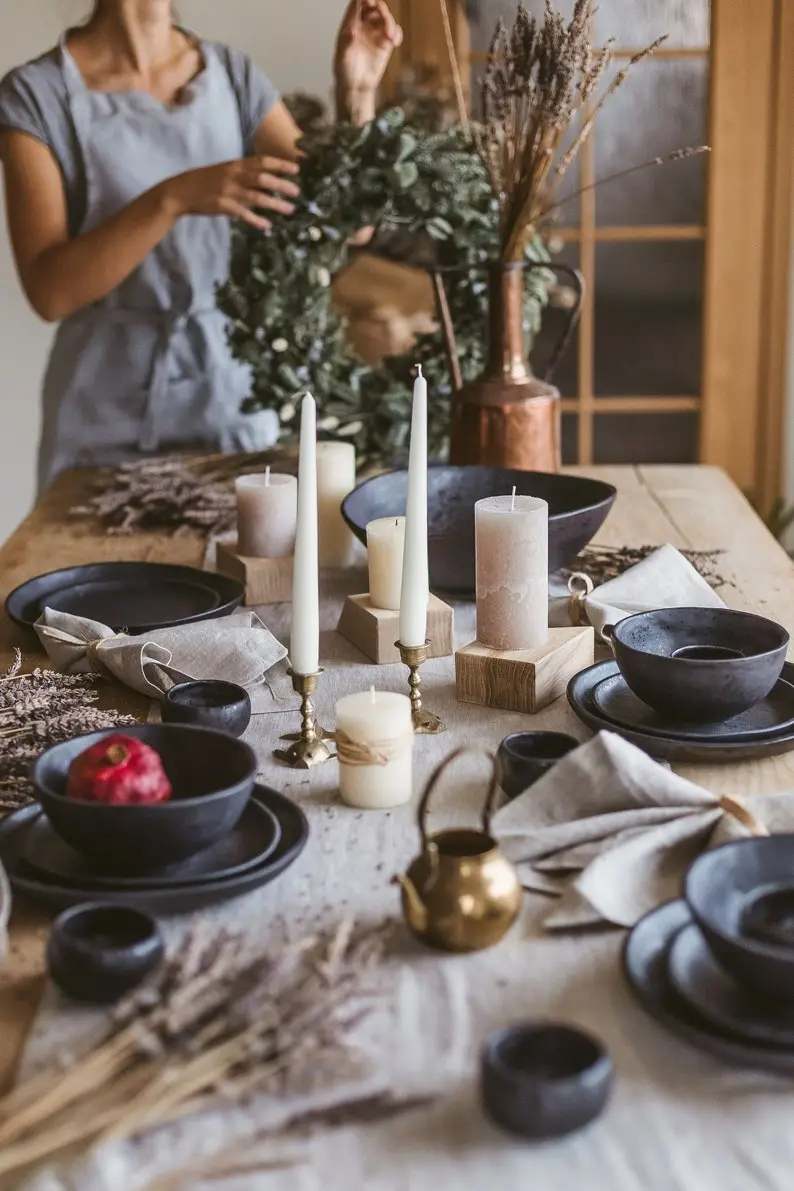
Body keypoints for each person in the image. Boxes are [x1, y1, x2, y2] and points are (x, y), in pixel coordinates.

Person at [0, 0, 402, 492]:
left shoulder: (233, 77)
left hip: (228, 399)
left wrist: (357, 91)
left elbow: (347, 223)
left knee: (244, 566)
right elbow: (50, 292)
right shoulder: (35, 95)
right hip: (100, 414)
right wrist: (173, 198)